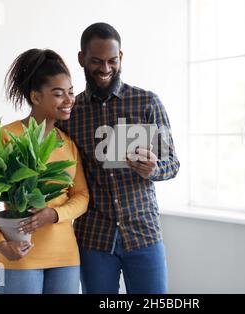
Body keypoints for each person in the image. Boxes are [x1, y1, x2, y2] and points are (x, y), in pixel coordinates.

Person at [56, 22, 180, 294]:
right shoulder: (71, 113)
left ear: (121, 57)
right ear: (81, 59)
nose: (105, 69)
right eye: (96, 61)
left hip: (144, 233)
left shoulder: (146, 102)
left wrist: (153, 169)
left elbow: (173, 163)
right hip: (93, 238)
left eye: (112, 61)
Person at [0, 49, 89, 294]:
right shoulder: (5, 136)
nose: (69, 100)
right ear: (36, 97)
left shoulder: (68, 144)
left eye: (71, 92)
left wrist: (54, 214)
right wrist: (0, 244)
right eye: (58, 94)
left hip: (66, 258)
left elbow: (82, 197)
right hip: (18, 255)